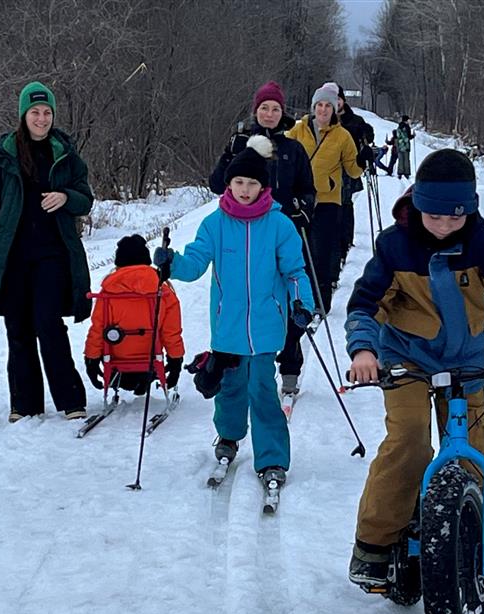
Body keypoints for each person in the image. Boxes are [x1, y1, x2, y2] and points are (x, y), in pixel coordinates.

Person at [344, 149, 484, 614]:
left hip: (466, 366)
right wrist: (364, 351)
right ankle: (375, 543)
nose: (443, 225)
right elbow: (365, 303)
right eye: (433, 214)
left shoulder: (481, 242)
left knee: (473, 463)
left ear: (469, 209)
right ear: (417, 204)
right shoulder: (395, 246)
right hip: (405, 361)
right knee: (408, 440)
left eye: (454, 215)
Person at [153, 135, 315, 486]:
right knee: (230, 389)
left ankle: (272, 456)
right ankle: (228, 436)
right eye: (239, 182)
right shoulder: (215, 224)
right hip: (227, 327)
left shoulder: (279, 225)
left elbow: (294, 272)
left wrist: (303, 301)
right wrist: (171, 264)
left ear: (263, 186)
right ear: (229, 184)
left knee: (262, 391)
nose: (244, 189)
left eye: (252, 183)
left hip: (266, 326)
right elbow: (195, 263)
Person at [0, 81, 93, 423]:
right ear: (23, 115)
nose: (41, 119)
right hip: (10, 255)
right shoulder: (4, 155)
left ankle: (71, 401)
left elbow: (86, 197)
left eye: (47, 112)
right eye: (35, 112)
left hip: (53, 253)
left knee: (47, 322)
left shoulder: (65, 153)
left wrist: (67, 197)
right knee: (18, 327)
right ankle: (24, 405)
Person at [208, 81, 316, 397]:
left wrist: (303, 209)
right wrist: (230, 153)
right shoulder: (240, 143)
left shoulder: (293, 148)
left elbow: (309, 190)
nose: (269, 114)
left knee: (288, 299)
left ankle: (290, 366)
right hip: (242, 234)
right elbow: (217, 185)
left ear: (283, 114)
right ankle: (239, 366)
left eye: (275, 108)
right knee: (250, 302)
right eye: (264, 108)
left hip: (282, 233)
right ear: (256, 111)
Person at [286, 82, 367, 326]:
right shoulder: (298, 131)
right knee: (299, 252)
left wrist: (363, 159)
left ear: (334, 109)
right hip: (300, 203)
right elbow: (281, 155)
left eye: (327, 106)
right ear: (313, 107)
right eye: (319, 105)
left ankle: (321, 300)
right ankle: (300, 299)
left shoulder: (342, 136)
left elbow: (353, 171)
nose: (322, 110)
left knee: (321, 253)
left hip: (328, 201)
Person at [83, 234, 184, 395]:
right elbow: (171, 332)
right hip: (151, 361)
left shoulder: (107, 293)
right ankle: (143, 382)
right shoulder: (162, 291)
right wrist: (175, 360)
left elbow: (98, 330)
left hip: (115, 363)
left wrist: (91, 359)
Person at [335, 85, 375, 270]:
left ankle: (344, 242)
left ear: (343, 100)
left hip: (348, 170)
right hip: (328, 169)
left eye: (338, 99)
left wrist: (366, 136)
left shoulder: (355, 121)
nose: (335, 103)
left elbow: (368, 136)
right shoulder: (323, 119)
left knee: (344, 204)